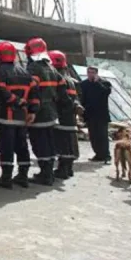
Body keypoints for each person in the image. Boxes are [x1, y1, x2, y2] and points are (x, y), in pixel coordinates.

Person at [24, 37, 72, 186]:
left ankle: (45, 175)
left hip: (39, 114)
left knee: (40, 143)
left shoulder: (33, 68)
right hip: (51, 113)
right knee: (49, 143)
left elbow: (33, 91)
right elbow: (63, 92)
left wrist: (31, 110)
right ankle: (48, 173)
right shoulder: (51, 68)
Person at [0, 41, 38, 189]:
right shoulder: (24, 71)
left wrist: (16, 102)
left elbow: (1, 92)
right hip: (22, 118)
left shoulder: (0, 71)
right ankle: (23, 176)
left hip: (6, 116)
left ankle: (6, 177)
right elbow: (34, 94)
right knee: (22, 146)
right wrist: (32, 110)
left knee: (6, 147)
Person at [48, 50, 83, 179]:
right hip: (70, 117)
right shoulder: (71, 79)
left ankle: (63, 170)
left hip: (62, 115)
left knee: (63, 143)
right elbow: (76, 99)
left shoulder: (59, 78)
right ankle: (68, 169)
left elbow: (60, 97)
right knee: (69, 143)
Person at [79, 66, 112, 162]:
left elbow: (106, 92)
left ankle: (106, 155)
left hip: (101, 114)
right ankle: (98, 154)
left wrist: (97, 82)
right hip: (90, 114)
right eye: (89, 72)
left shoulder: (104, 83)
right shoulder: (84, 84)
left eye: (93, 72)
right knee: (93, 136)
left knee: (102, 135)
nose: (91, 74)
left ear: (96, 73)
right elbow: (82, 99)